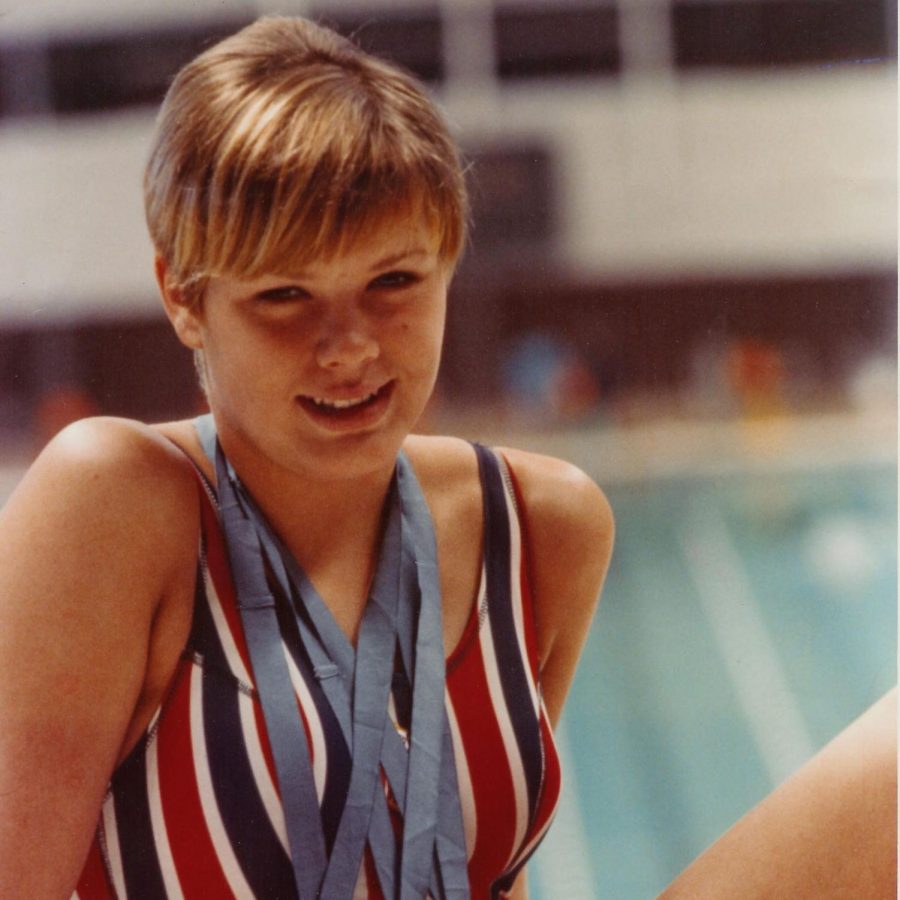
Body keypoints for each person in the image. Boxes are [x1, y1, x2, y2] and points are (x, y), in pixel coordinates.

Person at [0, 16, 613, 900]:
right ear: (182, 294)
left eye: (394, 281)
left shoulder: (540, 525)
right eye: (285, 295)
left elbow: (475, 871)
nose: (350, 348)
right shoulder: (113, 503)